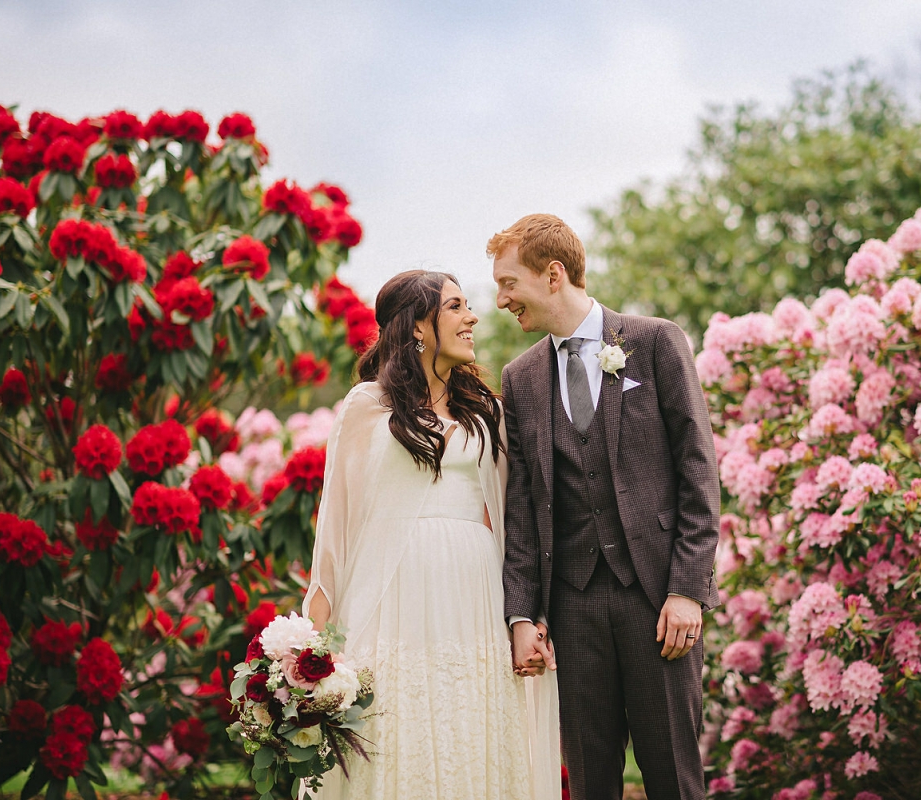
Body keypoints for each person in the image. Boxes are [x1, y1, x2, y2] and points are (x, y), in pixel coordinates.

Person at [302, 269, 560, 800]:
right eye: (456, 307)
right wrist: (309, 653)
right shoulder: (366, 406)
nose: (472, 318)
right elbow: (335, 532)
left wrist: (527, 614)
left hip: (474, 595)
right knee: (395, 735)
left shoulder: (488, 411)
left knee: (471, 727)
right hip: (392, 595)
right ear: (419, 325)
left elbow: (515, 523)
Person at [488, 215, 721, 800]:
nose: (500, 300)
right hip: (571, 607)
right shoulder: (520, 378)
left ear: (553, 274)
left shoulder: (655, 341)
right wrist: (523, 616)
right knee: (591, 782)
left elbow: (699, 469)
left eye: (509, 282)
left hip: (659, 602)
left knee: (673, 774)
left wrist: (688, 589)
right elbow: (522, 508)